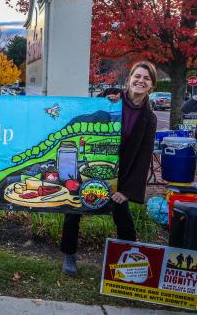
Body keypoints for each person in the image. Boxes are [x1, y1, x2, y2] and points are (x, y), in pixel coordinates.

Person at [60, 61, 157, 276]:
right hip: (91, 164)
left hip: (119, 174)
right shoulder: (111, 96)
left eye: (146, 78)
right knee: (74, 210)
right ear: (129, 79)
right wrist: (105, 104)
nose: (140, 81)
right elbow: (90, 113)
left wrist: (127, 190)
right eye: (137, 76)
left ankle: (130, 264)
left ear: (152, 85)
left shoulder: (149, 118)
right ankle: (69, 255)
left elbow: (143, 156)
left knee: (123, 218)